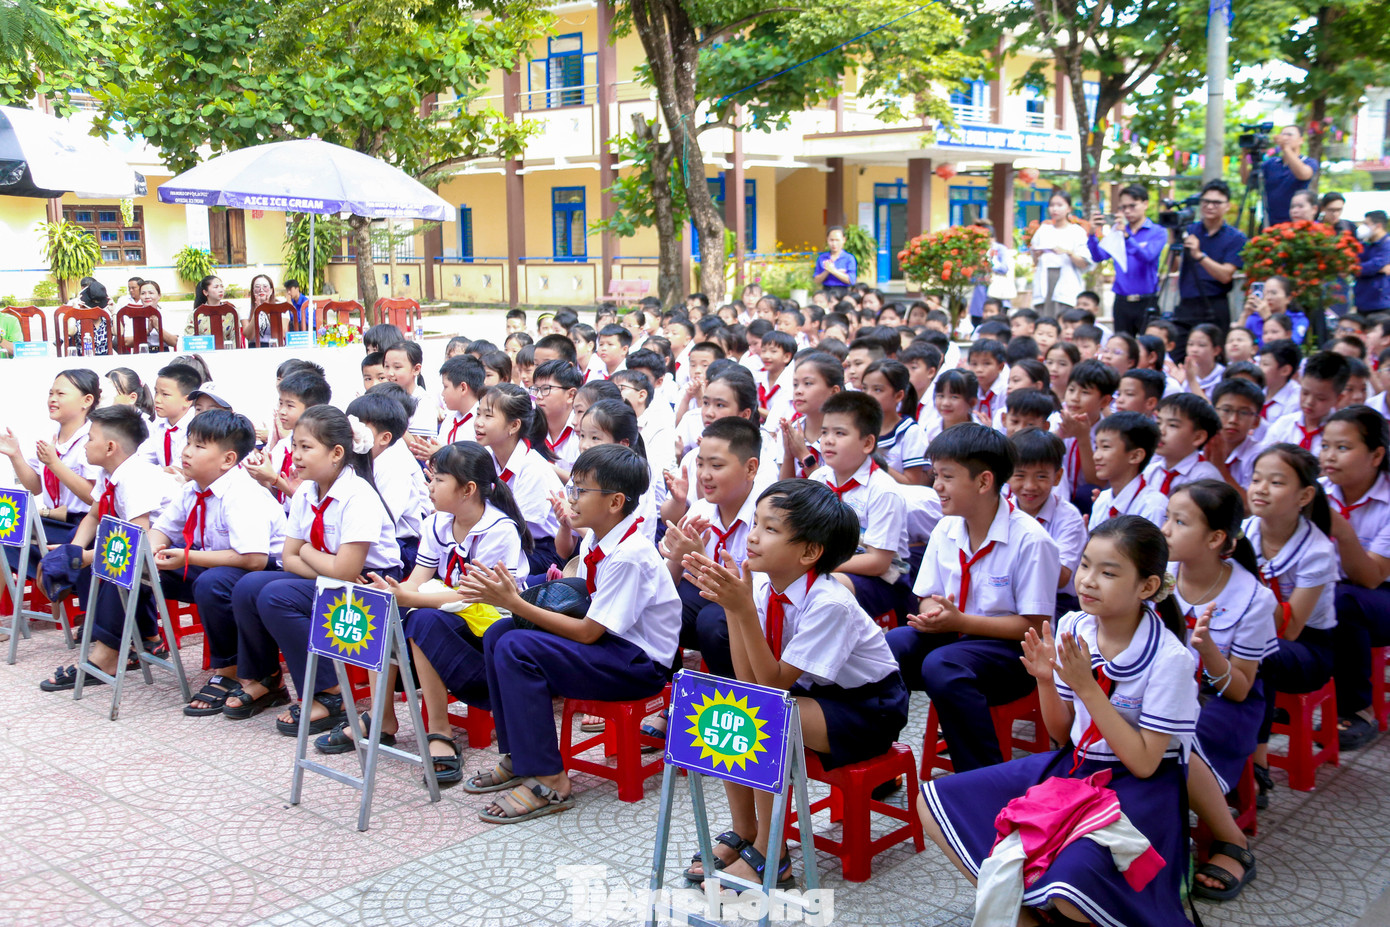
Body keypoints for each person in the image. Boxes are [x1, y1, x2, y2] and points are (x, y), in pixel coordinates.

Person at [920, 514, 1196, 926]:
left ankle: (1046, 905)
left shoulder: (1170, 658)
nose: (1087, 580)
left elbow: (1144, 763)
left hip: (1139, 787)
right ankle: (1027, 913)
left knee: (1073, 887)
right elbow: (1061, 733)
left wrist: (1087, 688)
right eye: (1085, 565)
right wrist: (1046, 681)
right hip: (1077, 767)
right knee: (936, 803)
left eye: (1108, 572)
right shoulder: (1075, 626)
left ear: (1148, 587)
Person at [680, 479, 909, 887]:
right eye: (755, 522)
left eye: (770, 529)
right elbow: (749, 681)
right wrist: (735, 609)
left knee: (763, 721)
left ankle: (773, 853)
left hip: (869, 708)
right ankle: (745, 829)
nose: (752, 535)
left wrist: (742, 609)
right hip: (810, 695)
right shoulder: (771, 587)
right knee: (728, 709)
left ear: (809, 552)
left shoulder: (829, 602)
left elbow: (771, 686)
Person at [457, 445, 681, 822]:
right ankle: (519, 757)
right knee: (499, 633)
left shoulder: (630, 554)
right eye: (571, 487)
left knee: (515, 644)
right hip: (612, 646)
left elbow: (590, 633)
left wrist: (515, 602)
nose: (570, 498)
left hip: (637, 665)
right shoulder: (598, 538)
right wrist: (514, 606)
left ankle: (551, 780)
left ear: (615, 502)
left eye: (580, 491)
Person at [314, 442, 531, 779]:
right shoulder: (437, 523)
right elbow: (418, 579)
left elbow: (475, 597)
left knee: (423, 619)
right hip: (454, 615)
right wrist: (393, 593)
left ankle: (440, 731)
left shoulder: (499, 530)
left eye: (438, 480)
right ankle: (382, 716)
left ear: (468, 489)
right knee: (381, 609)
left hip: (494, 627)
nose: (428, 487)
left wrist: (409, 598)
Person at [888, 424, 1060, 772]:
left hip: (1012, 654)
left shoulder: (1031, 540)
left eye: (947, 477)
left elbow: (1034, 625)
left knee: (944, 666)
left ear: (984, 482)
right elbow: (927, 596)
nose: (936, 486)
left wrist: (961, 621)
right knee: (893, 645)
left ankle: (982, 777)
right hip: (956, 636)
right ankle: (878, 751)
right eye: (935, 474)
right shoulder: (946, 528)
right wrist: (933, 615)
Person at [224, 407, 402, 730]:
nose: (296, 455)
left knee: (276, 597)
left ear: (336, 453)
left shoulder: (357, 495)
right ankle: (267, 678)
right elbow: (289, 557)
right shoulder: (307, 489)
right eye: (294, 446)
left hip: (373, 585)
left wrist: (309, 553)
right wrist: (319, 561)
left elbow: (346, 573)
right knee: (247, 588)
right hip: (330, 575)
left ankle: (328, 693)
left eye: (306, 447)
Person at [1162, 479, 1275, 899]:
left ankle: (1233, 841)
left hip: (1224, 704)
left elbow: (1241, 689)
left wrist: (1209, 651)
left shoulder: (1252, 597)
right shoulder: (1161, 575)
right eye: (1167, 518)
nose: (1166, 530)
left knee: (1173, 734)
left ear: (1215, 538)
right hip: (1169, 690)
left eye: (1179, 521)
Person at [141, 410, 288, 716]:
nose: (186, 452)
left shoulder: (242, 493)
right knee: (141, 567)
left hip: (266, 573)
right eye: (188, 443)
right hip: (217, 563)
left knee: (212, 583)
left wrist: (188, 557)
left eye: (199, 446)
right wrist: (154, 550)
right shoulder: (192, 489)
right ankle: (128, 643)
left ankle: (231, 670)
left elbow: (254, 558)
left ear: (227, 459)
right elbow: (163, 529)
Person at [38, 406, 178, 691]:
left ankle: (105, 657)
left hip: (171, 548)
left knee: (118, 568)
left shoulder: (136, 476)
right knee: (107, 562)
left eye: (90, 438)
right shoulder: (110, 472)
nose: (86, 445)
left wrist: (86, 559)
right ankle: (149, 639)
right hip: (143, 548)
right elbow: (94, 514)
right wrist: (74, 552)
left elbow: (138, 538)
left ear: (111, 446)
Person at [1244, 444, 1338, 808]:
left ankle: (1257, 762)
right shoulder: (1245, 531)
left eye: (1276, 482)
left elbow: (1292, 628)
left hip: (1310, 648)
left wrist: (1242, 588)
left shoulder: (1316, 550)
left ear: (1304, 495)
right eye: (1256, 479)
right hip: (1253, 630)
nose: (1261, 489)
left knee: (1259, 655)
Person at [806, 392, 911, 623]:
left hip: (881, 580)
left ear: (867, 443)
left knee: (824, 588)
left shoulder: (883, 490)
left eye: (840, 433)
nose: (828, 440)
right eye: (824, 432)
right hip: (827, 564)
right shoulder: (819, 479)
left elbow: (878, 562)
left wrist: (816, 565)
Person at [1321, 406, 1390, 749]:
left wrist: (1342, 531)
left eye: (1343, 448)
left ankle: (1359, 709)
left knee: (1341, 601)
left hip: (1379, 599)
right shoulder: (1318, 491)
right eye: (1325, 446)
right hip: (1328, 591)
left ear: (1377, 454)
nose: (1329, 457)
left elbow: (1371, 577)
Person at [0, 371, 100, 578]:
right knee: (5, 528)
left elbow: (92, 497)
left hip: (82, 525)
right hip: (54, 522)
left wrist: (54, 464)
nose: (52, 399)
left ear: (87, 400)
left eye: (61, 394)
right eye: (50, 393)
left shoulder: (93, 439)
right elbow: (35, 487)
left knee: (7, 533)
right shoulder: (49, 435)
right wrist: (15, 454)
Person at [472, 383, 565, 578]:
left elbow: (518, 529)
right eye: (478, 414)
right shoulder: (485, 456)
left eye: (488, 416)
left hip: (538, 549)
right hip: (498, 538)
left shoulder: (532, 468)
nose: (478, 422)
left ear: (514, 425)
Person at [349, 388, 430, 571]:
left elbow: (380, 522)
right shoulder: (361, 456)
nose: (351, 433)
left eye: (361, 426)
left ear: (385, 437)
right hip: (363, 540)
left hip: (399, 546)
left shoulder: (394, 463)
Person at [1008, 428, 1085, 615]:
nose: (1030, 486)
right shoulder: (1000, 511)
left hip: (1057, 602)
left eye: (1041, 476)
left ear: (1057, 477)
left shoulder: (1069, 517)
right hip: (1009, 597)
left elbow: (1063, 577)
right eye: (1020, 475)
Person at [1177, 180, 1246, 357]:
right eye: (1205, 201)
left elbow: (1225, 276)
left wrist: (1200, 255)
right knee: (1181, 354)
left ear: (1227, 206)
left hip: (1215, 304)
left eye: (1216, 203)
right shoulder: (1190, 229)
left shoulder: (1235, 237)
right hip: (1187, 303)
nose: (1209, 206)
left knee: (1216, 356)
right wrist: (1174, 237)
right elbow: (1174, 266)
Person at [1088, 184, 1168, 335]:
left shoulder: (1158, 232)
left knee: (1149, 346)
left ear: (1145, 204)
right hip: (1122, 300)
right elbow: (1098, 256)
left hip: (1147, 300)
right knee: (1122, 347)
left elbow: (1147, 256)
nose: (1128, 211)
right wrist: (1092, 234)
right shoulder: (1118, 231)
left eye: (1132, 206)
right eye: (1124, 207)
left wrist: (1127, 237)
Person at [245, 371, 331, 511]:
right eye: (280, 404)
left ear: (312, 409)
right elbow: (278, 496)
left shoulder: (320, 449)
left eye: (289, 406)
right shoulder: (282, 446)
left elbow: (310, 501)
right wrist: (263, 478)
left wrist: (273, 478)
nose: (282, 411)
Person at [1262, 350, 1349, 456]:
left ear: (1338, 399)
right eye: (1305, 393)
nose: (1309, 402)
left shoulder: (1342, 434)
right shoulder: (1283, 426)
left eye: (1320, 398)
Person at [1091, 412, 1169, 529]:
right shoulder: (1102, 500)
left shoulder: (1153, 507)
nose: (1096, 456)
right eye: (1096, 447)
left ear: (1135, 456)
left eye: (1105, 447)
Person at [863, 359, 928, 485]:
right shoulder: (859, 426)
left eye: (877, 390)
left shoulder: (910, 432)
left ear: (898, 396)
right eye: (864, 388)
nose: (867, 395)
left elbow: (912, 483)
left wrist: (877, 462)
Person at [1145, 393, 1223, 496]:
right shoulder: (1151, 470)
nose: (1161, 431)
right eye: (1159, 423)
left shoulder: (1206, 478)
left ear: (1198, 437)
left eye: (1172, 425)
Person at [1242, 125, 1317, 227]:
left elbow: (1303, 174)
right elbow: (1246, 180)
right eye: (1283, 134)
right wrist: (1244, 155)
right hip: (1270, 222)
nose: (1285, 138)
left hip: (1295, 222)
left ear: (1301, 140)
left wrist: (1285, 148)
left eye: (1289, 135)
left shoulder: (1308, 161)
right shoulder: (1271, 163)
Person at [1030, 191, 1091, 315]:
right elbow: (1035, 262)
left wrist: (1068, 252)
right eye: (1052, 205)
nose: (1055, 209)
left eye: (1059, 205)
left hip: (1066, 280)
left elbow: (1084, 263)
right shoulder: (1043, 230)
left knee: (1063, 317)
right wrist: (1037, 254)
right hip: (1045, 278)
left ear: (1069, 208)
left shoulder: (1076, 231)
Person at [137, 363, 202, 472]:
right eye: (156, 392)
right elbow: (142, 457)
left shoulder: (196, 427)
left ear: (187, 401)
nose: (157, 399)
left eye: (165, 394)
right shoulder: (159, 424)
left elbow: (179, 470)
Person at [1355, 210, 1390, 314]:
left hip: (1381, 303)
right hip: (1362, 301)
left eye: (1366, 224)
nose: (1363, 227)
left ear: (1378, 226)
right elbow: (1353, 265)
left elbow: (1375, 265)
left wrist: (1359, 268)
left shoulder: (1387, 244)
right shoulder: (1366, 244)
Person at [813, 226, 857, 299]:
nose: (834, 243)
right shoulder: (822, 258)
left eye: (837, 240)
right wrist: (827, 271)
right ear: (827, 240)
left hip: (842, 292)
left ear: (844, 240)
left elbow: (851, 280)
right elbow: (816, 280)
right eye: (831, 240)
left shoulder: (849, 258)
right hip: (826, 291)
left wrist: (834, 271)